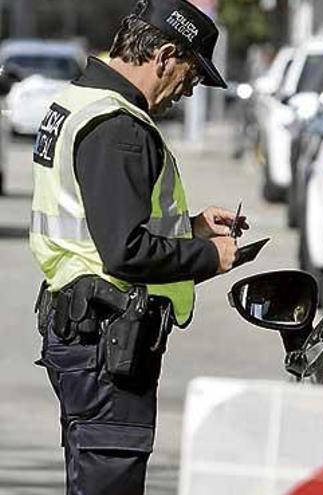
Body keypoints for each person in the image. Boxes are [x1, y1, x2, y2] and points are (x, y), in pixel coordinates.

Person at [29, 1, 241, 493]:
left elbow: (95, 218)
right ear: (165, 55)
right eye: (190, 76)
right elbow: (123, 250)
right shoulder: (118, 127)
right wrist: (211, 257)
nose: (187, 92)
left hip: (86, 333)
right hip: (107, 343)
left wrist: (190, 228)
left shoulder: (79, 101)